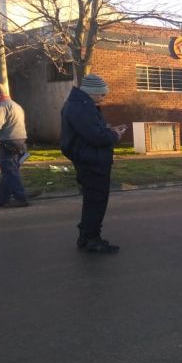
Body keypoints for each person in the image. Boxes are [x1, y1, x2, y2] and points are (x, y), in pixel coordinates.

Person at [60, 74, 126, 254]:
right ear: (93, 92)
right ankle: (92, 239)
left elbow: (90, 130)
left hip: (87, 158)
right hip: (92, 161)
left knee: (91, 201)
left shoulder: (78, 105)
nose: (103, 98)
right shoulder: (82, 108)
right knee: (96, 201)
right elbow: (95, 136)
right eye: (102, 94)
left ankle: (86, 236)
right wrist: (114, 136)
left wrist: (108, 129)